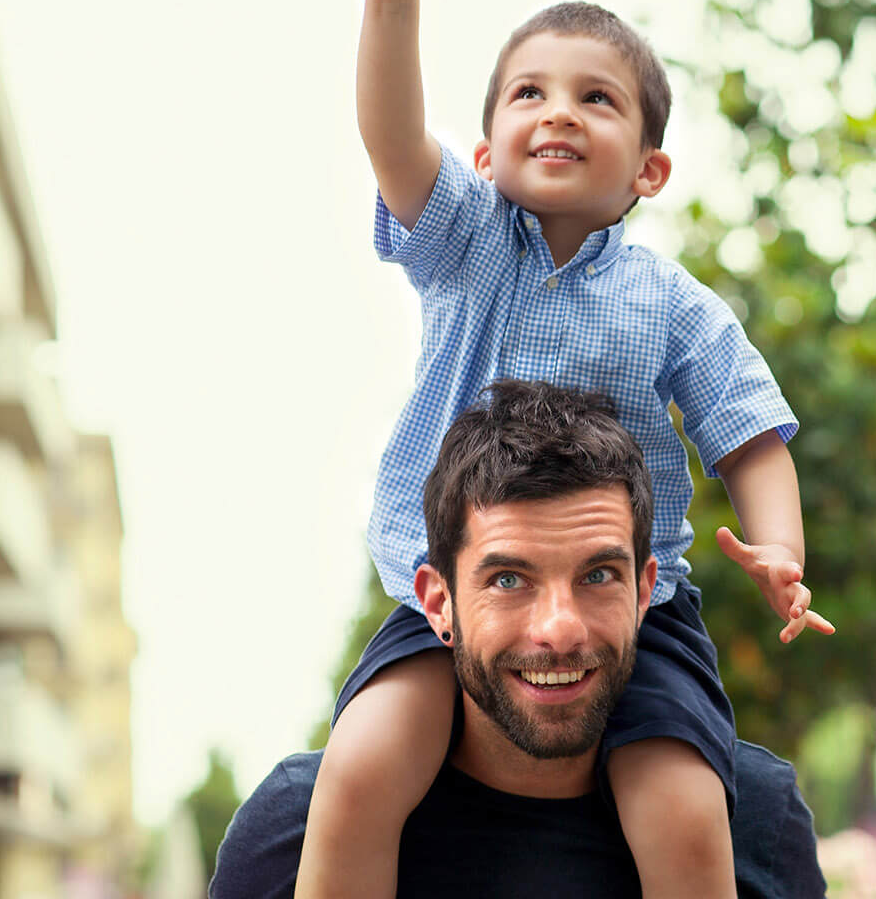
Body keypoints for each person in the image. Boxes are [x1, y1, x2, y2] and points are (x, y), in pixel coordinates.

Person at [300, 0, 834, 899]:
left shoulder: (673, 301)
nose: (561, 112)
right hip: (454, 588)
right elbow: (392, 136)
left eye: (599, 98)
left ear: (649, 168)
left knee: (683, 804)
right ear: (488, 149)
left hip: (632, 605)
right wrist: (390, 1)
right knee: (360, 769)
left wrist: (780, 551)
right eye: (530, 94)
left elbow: (749, 435)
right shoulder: (464, 239)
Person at [212, 380, 825, 898]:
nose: (559, 628)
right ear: (437, 601)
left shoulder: (756, 821)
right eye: (509, 579)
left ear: (645, 593)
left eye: (598, 575)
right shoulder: (294, 830)